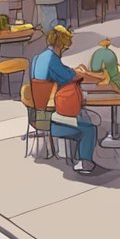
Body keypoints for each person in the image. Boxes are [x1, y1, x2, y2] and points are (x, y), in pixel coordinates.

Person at [33, 25, 97, 174]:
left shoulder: (42, 57)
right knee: (89, 129)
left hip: (39, 110)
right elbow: (69, 77)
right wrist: (81, 73)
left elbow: (62, 72)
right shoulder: (52, 60)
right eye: (65, 48)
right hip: (49, 116)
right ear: (61, 45)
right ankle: (84, 163)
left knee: (83, 116)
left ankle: (77, 155)